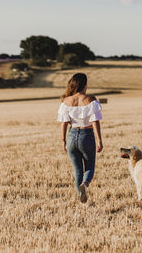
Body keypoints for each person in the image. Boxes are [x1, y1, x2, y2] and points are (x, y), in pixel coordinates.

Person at [57, 73, 103, 203]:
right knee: (89, 168)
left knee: (77, 171)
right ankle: (85, 184)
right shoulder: (90, 99)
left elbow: (64, 123)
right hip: (86, 136)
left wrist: (63, 141)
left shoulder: (66, 101)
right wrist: (99, 140)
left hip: (71, 136)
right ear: (84, 85)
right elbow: (95, 121)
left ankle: (81, 197)